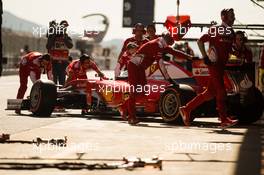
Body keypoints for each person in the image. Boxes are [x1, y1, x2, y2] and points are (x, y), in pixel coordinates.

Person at [179, 8, 238, 128]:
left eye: (234, 15)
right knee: (221, 91)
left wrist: (237, 55)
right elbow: (200, 41)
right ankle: (223, 120)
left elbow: (230, 49)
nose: (234, 17)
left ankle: (186, 109)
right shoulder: (215, 29)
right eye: (232, 15)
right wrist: (205, 57)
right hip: (214, 66)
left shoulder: (231, 32)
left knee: (210, 93)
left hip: (222, 66)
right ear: (224, 17)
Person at [124, 32, 194, 124]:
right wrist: (168, 79)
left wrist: (189, 57)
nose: (173, 40)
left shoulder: (162, 44)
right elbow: (160, 64)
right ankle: (131, 117)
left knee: (142, 92)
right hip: (133, 67)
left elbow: (174, 51)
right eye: (171, 38)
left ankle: (126, 108)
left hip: (140, 68)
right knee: (134, 91)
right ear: (166, 37)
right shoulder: (156, 45)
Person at [46, 20, 73, 85]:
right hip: (53, 63)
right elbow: (48, 46)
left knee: (62, 83)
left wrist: (64, 37)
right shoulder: (52, 36)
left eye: (65, 28)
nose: (63, 29)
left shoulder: (67, 37)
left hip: (63, 64)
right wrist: (54, 35)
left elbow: (70, 45)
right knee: (53, 83)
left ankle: (61, 95)